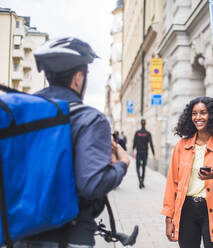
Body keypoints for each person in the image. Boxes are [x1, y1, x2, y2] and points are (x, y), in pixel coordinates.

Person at [14, 37, 130, 248]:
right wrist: (121, 165)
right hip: (70, 236)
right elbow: (91, 185)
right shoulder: (90, 119)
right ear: (78, 78)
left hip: (21, 232)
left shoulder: (20, 114)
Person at [161, 96, 213, 248]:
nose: (198, 117)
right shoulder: (181, 146)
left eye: (203, 113)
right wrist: (169, 219)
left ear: (212, 115)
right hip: (186, 210)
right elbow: (172, 184)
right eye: (194, 113)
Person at [132, 119, 155, 189]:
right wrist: (154, 153)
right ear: (145, 124)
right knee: (144, 167)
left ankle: (140, 179)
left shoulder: (137, 133)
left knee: (137, 167)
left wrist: (133, 151)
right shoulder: (148, 133)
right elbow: (151, 144)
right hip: (145, 152)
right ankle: (142, 180)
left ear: (140, 124)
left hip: (138, 152)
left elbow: (134, 142)